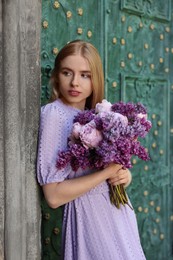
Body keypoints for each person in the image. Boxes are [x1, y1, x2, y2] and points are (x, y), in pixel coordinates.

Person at [37, 40, 146, 260]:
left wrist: (123, 175)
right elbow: (54, 196)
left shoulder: (100, 115)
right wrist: (107, 172)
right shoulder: (53, 115)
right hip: (90, 222)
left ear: (95, 79)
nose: (75, 82)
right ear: (57, 75)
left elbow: (112, 172)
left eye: (85, 75)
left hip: (119, 217)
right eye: (67, 72)